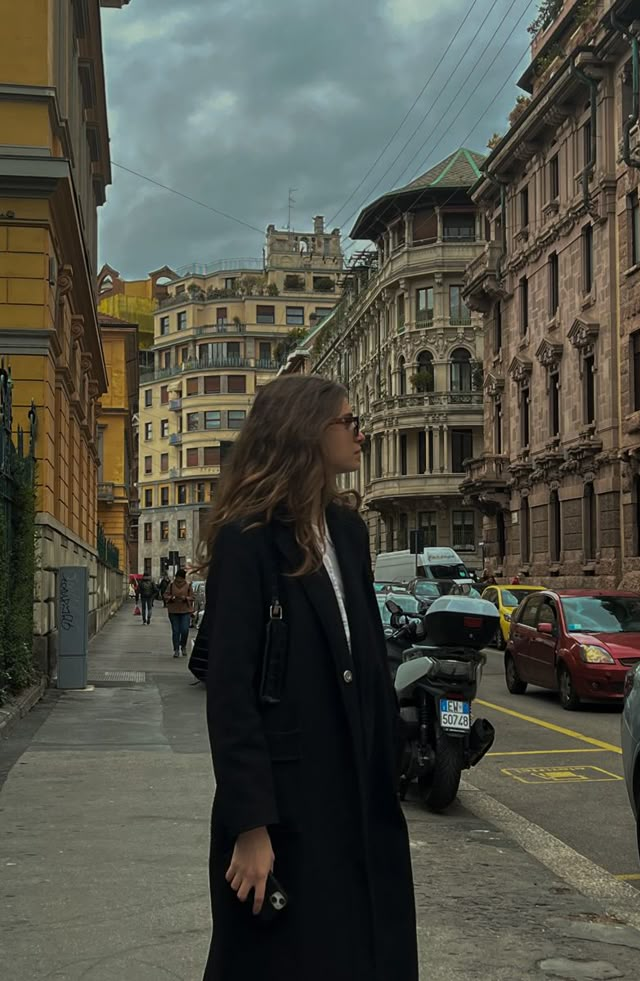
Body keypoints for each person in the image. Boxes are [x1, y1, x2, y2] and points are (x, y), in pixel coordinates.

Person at [199, 375, 417, 981]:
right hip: (286, 809)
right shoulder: (248, 538)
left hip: (358, 795)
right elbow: (230, 692)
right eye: (348, 422)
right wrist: (249, 826)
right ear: (306, 431)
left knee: (365, 947)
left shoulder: (348, 531)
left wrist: (392, 758)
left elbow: (368, 658)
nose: (360, 434)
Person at [164, 569, 194, 658]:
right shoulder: (171, 585)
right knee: (176, 631)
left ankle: (183, 646)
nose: (179, 579)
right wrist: (171, 597)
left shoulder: (188, 585)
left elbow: (192, 597)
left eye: (181, 577)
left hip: (185, 611)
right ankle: (176, 649)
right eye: (178, 577)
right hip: (174, 611)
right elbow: (165, 595)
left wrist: (186, 598)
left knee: (185, 630)